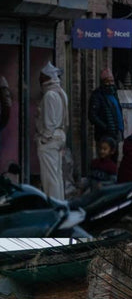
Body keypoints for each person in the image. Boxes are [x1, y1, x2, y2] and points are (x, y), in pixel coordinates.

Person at [36, 61, 69, 201]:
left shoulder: (50, 95)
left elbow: (49, 122)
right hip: (60, 135)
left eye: (41, 77)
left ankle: (54, 207)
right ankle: (60, 204)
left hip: (50, 139)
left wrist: (44, 138)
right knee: (57, 176)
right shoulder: (61, 93)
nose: (39, 79)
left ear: (46, 78)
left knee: (50, 179)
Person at [88, 67, 124, 153]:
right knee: (106, 158)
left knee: (114, 158)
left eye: (112, 81)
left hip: (116, 132)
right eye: (107, 81)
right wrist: (106, 127)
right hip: (105, 134)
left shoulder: (114, 94)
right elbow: (92, 115)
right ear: (103, 82)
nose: (110, 83)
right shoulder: (98, 95)